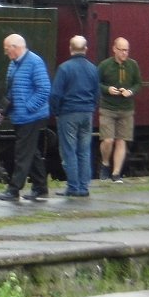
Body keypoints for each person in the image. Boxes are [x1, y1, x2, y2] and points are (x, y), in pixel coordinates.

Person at [0, 33, 51, 202]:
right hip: (18, 115)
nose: (5, 53)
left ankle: (14, 189)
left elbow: (44, 89)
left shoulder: (35, 62)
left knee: (22, 154)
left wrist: (28, 107)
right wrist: (2, 112)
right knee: (32, 153)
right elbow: (11, 91)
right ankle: (40, 187)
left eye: (6, 49)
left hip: (30, 117)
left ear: (16, 47)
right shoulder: (13, 64)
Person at [49, 35, 99, 198]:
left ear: (70, 49)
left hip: (68, 113)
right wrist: (91, 107)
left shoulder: (64, 68)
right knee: (84, 150)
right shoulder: (93, 68)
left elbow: (56, 94)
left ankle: (73, 187)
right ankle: (84, 187)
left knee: (69, 150)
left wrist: (56, 111)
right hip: (87, 113)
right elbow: (97, 93)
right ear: (86, 49)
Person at [97, 37, 141, 181]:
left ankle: (116, 173)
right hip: (108, 108)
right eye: (121, 50)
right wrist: (107, 89)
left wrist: (131, 91)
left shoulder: (133, 65)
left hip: (126, 108)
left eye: (126, 50)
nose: (124, 53)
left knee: (122, 140)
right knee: (108, 140)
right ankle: (105, 163)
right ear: (114, 49)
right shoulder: (105, 65)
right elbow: (95, 83)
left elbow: (138, 84)